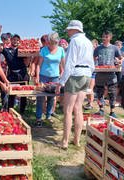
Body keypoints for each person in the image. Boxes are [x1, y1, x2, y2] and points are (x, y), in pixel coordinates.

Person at [56, 20, 94, 149]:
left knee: (68, 109)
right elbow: (92, 63)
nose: (67, 31)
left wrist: (61, 82)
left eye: (69, 29)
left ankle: (65, 141)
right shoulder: (88, 42)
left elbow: (70, 63)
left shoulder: (74, 41)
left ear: (75, 29)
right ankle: (76, 140)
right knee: (78, 108)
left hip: (76, 74)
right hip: (86, 74)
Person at [35, 32, 65, 127]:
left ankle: (48, 116)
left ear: (57, 42)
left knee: (52, 98)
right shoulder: (43, 50)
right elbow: (38, 65)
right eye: (49, 43)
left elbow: (63, 65)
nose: (50, 45)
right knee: (40, 98)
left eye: (53, 43)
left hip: (55, 77)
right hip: (43, 76)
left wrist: (62, 75)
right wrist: (37, 76)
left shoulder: (61, 50)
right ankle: (38, 118)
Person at [94, 31, 122, 117]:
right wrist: (94, 64)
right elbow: (93, 59)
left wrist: (119, 62)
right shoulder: (98, 48)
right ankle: (101, 109)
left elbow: (120, 59)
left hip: (111, 74)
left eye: (106, 37)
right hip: (99, 73)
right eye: (103, 36)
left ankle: (112, 111)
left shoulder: (114, 48)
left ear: (110, 37)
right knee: (99, 92)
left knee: (112, 93)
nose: (104, 38)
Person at [2, 34, 29, 114]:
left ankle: (22, 112)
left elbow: (27, 64)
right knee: (11, 93)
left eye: (17, 40)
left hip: (22, 74)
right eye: (14, 39)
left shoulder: (23, 50)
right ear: (11, 40)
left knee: (24, 93)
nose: (16, 41)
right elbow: (0, 46)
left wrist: (28, 56)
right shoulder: (6, 50)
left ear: (19, 41)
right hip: (12, 74)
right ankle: (10, 111)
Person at [84, 39, 99, 110]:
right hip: (87, 71)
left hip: (94, 71)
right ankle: (88, 102)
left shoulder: (97, 53)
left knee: (90, 88)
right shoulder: (88, 52)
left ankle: (91, 103)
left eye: (93, 45)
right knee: (87, 88)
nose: (92, 46)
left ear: (96, 45)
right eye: (91, 45)